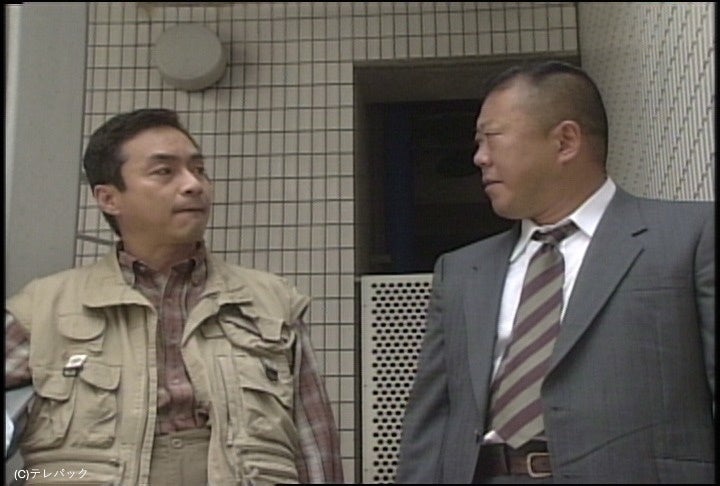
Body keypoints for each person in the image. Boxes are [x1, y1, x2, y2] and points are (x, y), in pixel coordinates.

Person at [396, 61, 715, 483]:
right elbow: (430, 424)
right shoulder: (460, 272)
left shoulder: (691, 237)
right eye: (478, 143)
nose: (480, 157)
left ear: (565, 141)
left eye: (492, 138)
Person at [4, 108, 344, 485]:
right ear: (109, 198)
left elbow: (316, 447)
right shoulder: (42, 310)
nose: (194, 184)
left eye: (199, 169)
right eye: (164, 171)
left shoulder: (273, 304)